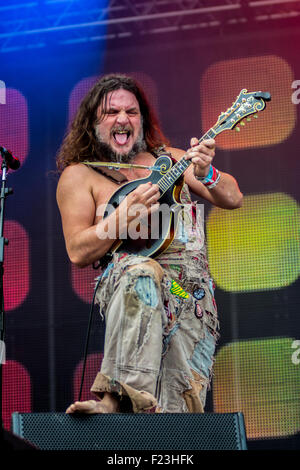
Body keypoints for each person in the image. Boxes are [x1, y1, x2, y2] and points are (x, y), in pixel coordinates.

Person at [56, 74, 243, 414]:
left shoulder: (171, 159)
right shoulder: (81, 175)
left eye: (131, 111)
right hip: (134, 282)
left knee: (180, 416)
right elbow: (77, 250)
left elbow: (233, 197)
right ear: (93, 122)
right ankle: (114, 399)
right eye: (111, 112)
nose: (122, 119)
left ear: (142, 119)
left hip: (189, 295)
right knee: (141, 272)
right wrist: (120, 219)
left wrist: (206, 173)